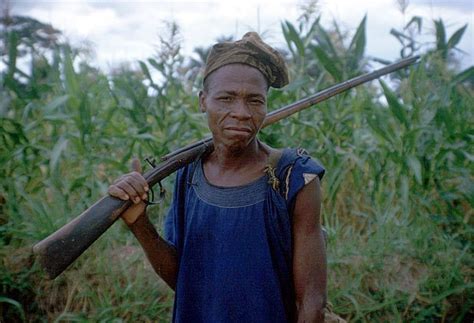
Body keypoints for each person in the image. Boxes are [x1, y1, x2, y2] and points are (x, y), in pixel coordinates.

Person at [108, 32, 327, 322]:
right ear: (203, 101)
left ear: (265, 105)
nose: (241, 112)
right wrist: (139, 223)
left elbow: (311, 302)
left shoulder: (294, 177)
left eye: (254, 101)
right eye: (226, 98)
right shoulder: (188, 173)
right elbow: (183, 282)